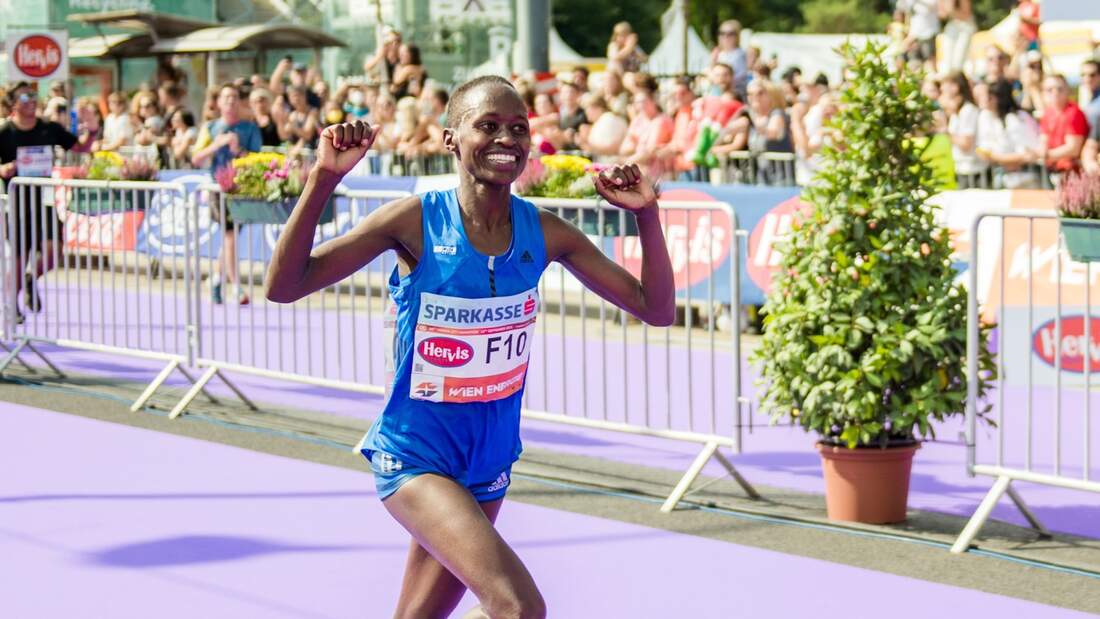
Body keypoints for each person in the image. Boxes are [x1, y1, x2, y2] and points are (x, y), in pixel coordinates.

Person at [264, 74, 674, 618]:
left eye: (518, 129)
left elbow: (657, 309)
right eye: (487, 126)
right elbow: (285, 286)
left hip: (489, 459)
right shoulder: (413, 219)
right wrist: (323, 178)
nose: (506, 139)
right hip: (416, 455)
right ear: (451, 139)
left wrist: (646, 214)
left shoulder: (546, 231)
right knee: (517, 607)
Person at [0, 82, 78, 320]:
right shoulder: (5, 132)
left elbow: (79, 145)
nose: (32, 101)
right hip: (17, 203)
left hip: (44, 199)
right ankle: (11, 308)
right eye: (25, 97)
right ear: (14, 104)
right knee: (20, 257)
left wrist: (93, 131)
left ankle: (31, 278)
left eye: (34, 96)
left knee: (54, 252)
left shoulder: (49, 127)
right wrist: (4, 168)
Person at [192, 83, 262, 305]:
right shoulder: (210, 128)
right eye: (226, 97)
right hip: (217, 188)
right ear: (219, 102)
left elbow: (256, 159)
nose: (230, 101)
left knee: (229, 238)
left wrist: (237, 152)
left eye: (234, 97)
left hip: (241, 189)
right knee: (230, 235)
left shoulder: (250, 129)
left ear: (239, 102)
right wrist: (217, 145)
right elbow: (196, 158)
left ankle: (215, 278)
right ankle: (236, 287)